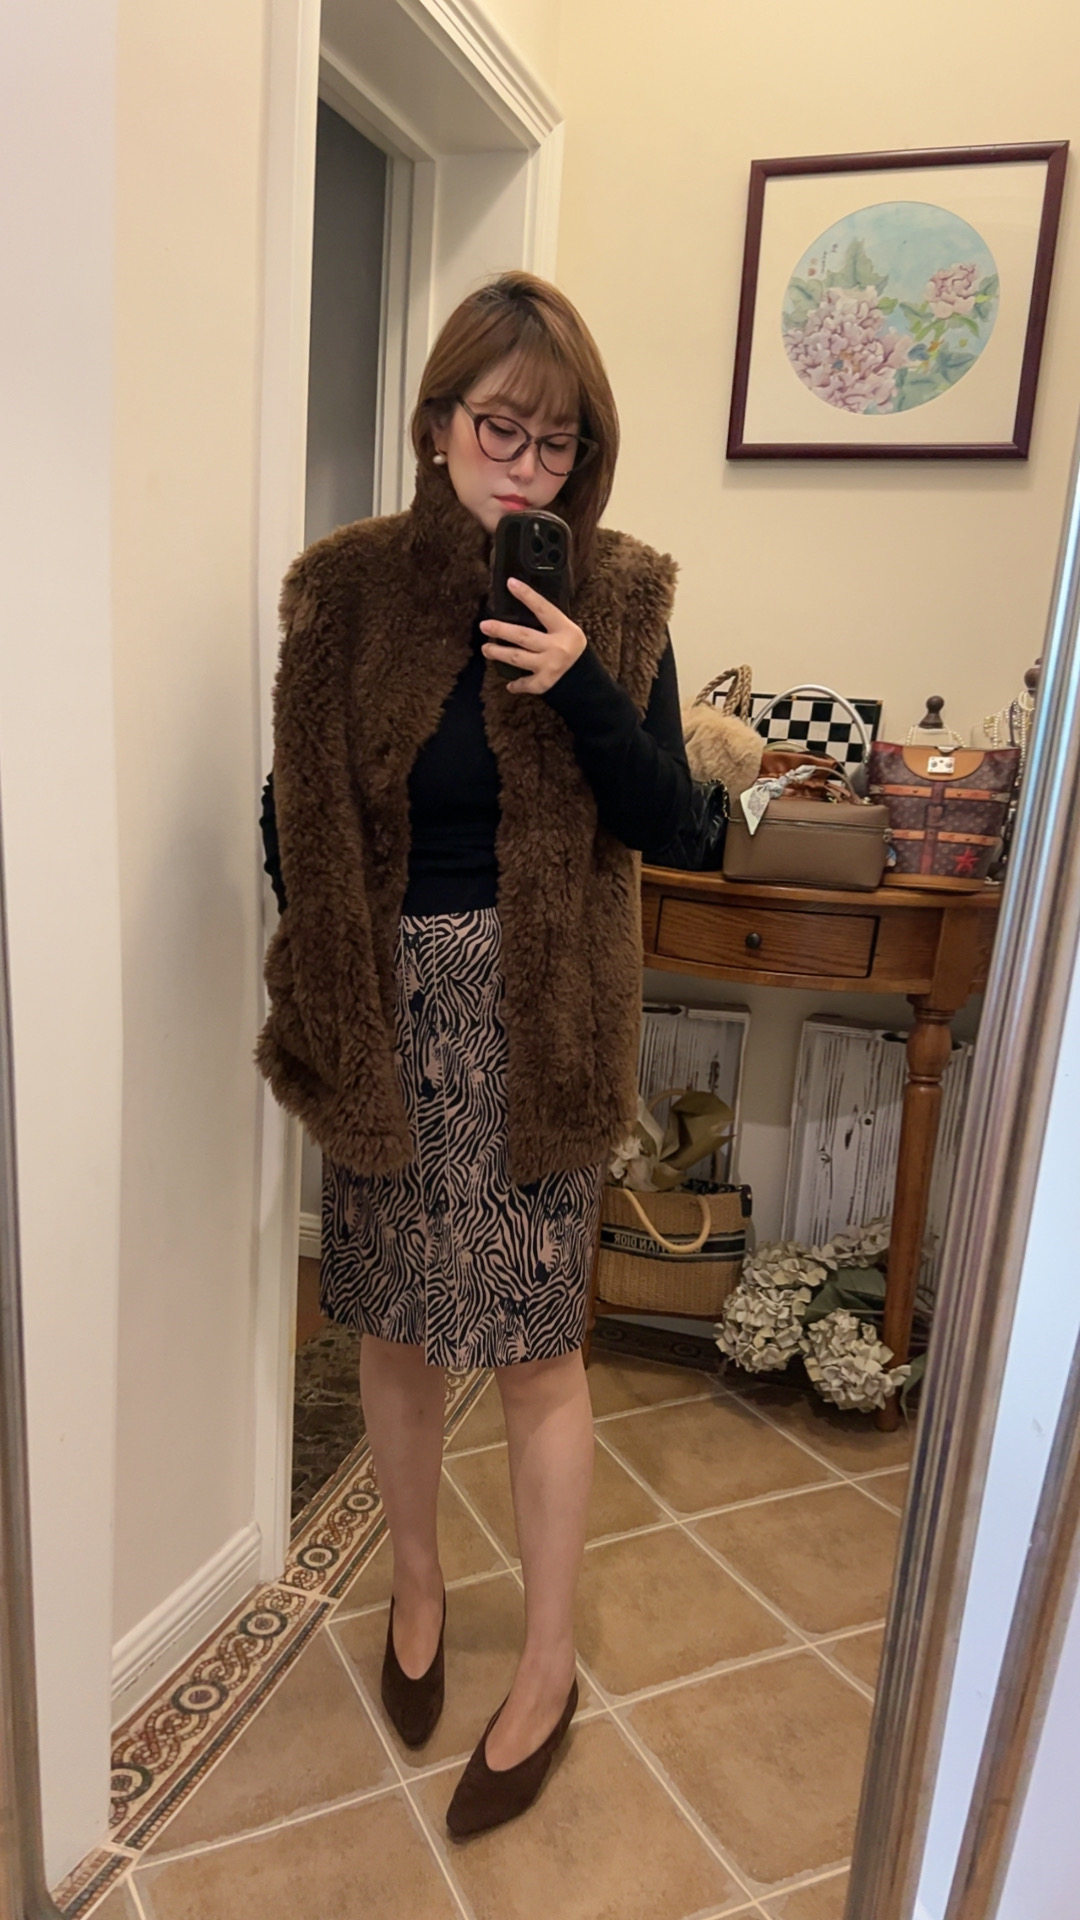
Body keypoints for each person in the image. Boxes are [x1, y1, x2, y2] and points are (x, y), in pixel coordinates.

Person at [255, 270, 691, 1838]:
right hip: (383, 1021)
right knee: (390, 1329)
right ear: (436, 421)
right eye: (501, 427)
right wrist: (326, 976)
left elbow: (674, 822)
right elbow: (293, 810)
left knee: (534, 1353)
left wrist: (583, 687)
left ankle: (550, 1663)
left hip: (538, 1022)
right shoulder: (347, 591)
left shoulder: (618, 596)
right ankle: (420, 1587)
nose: (526, 466)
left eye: (558, 442)